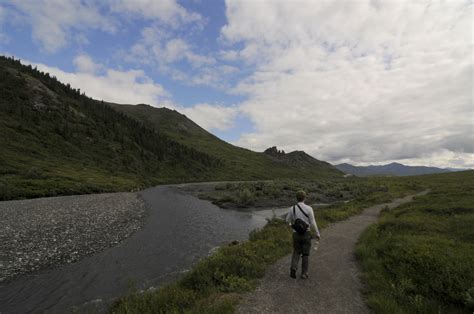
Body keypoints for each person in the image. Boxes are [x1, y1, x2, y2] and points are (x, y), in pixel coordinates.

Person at [286, 190, 320, 279]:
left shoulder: (292, 208)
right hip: (306, 234)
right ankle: (304, 273)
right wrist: (317, 233)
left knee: (296, 251)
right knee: (305, 254)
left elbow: (287, 220)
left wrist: (292, 226)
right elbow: (313, 222)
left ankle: (293, 268)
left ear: (296, 198)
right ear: (305, 198)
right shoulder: (309, 208)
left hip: (296, 234)